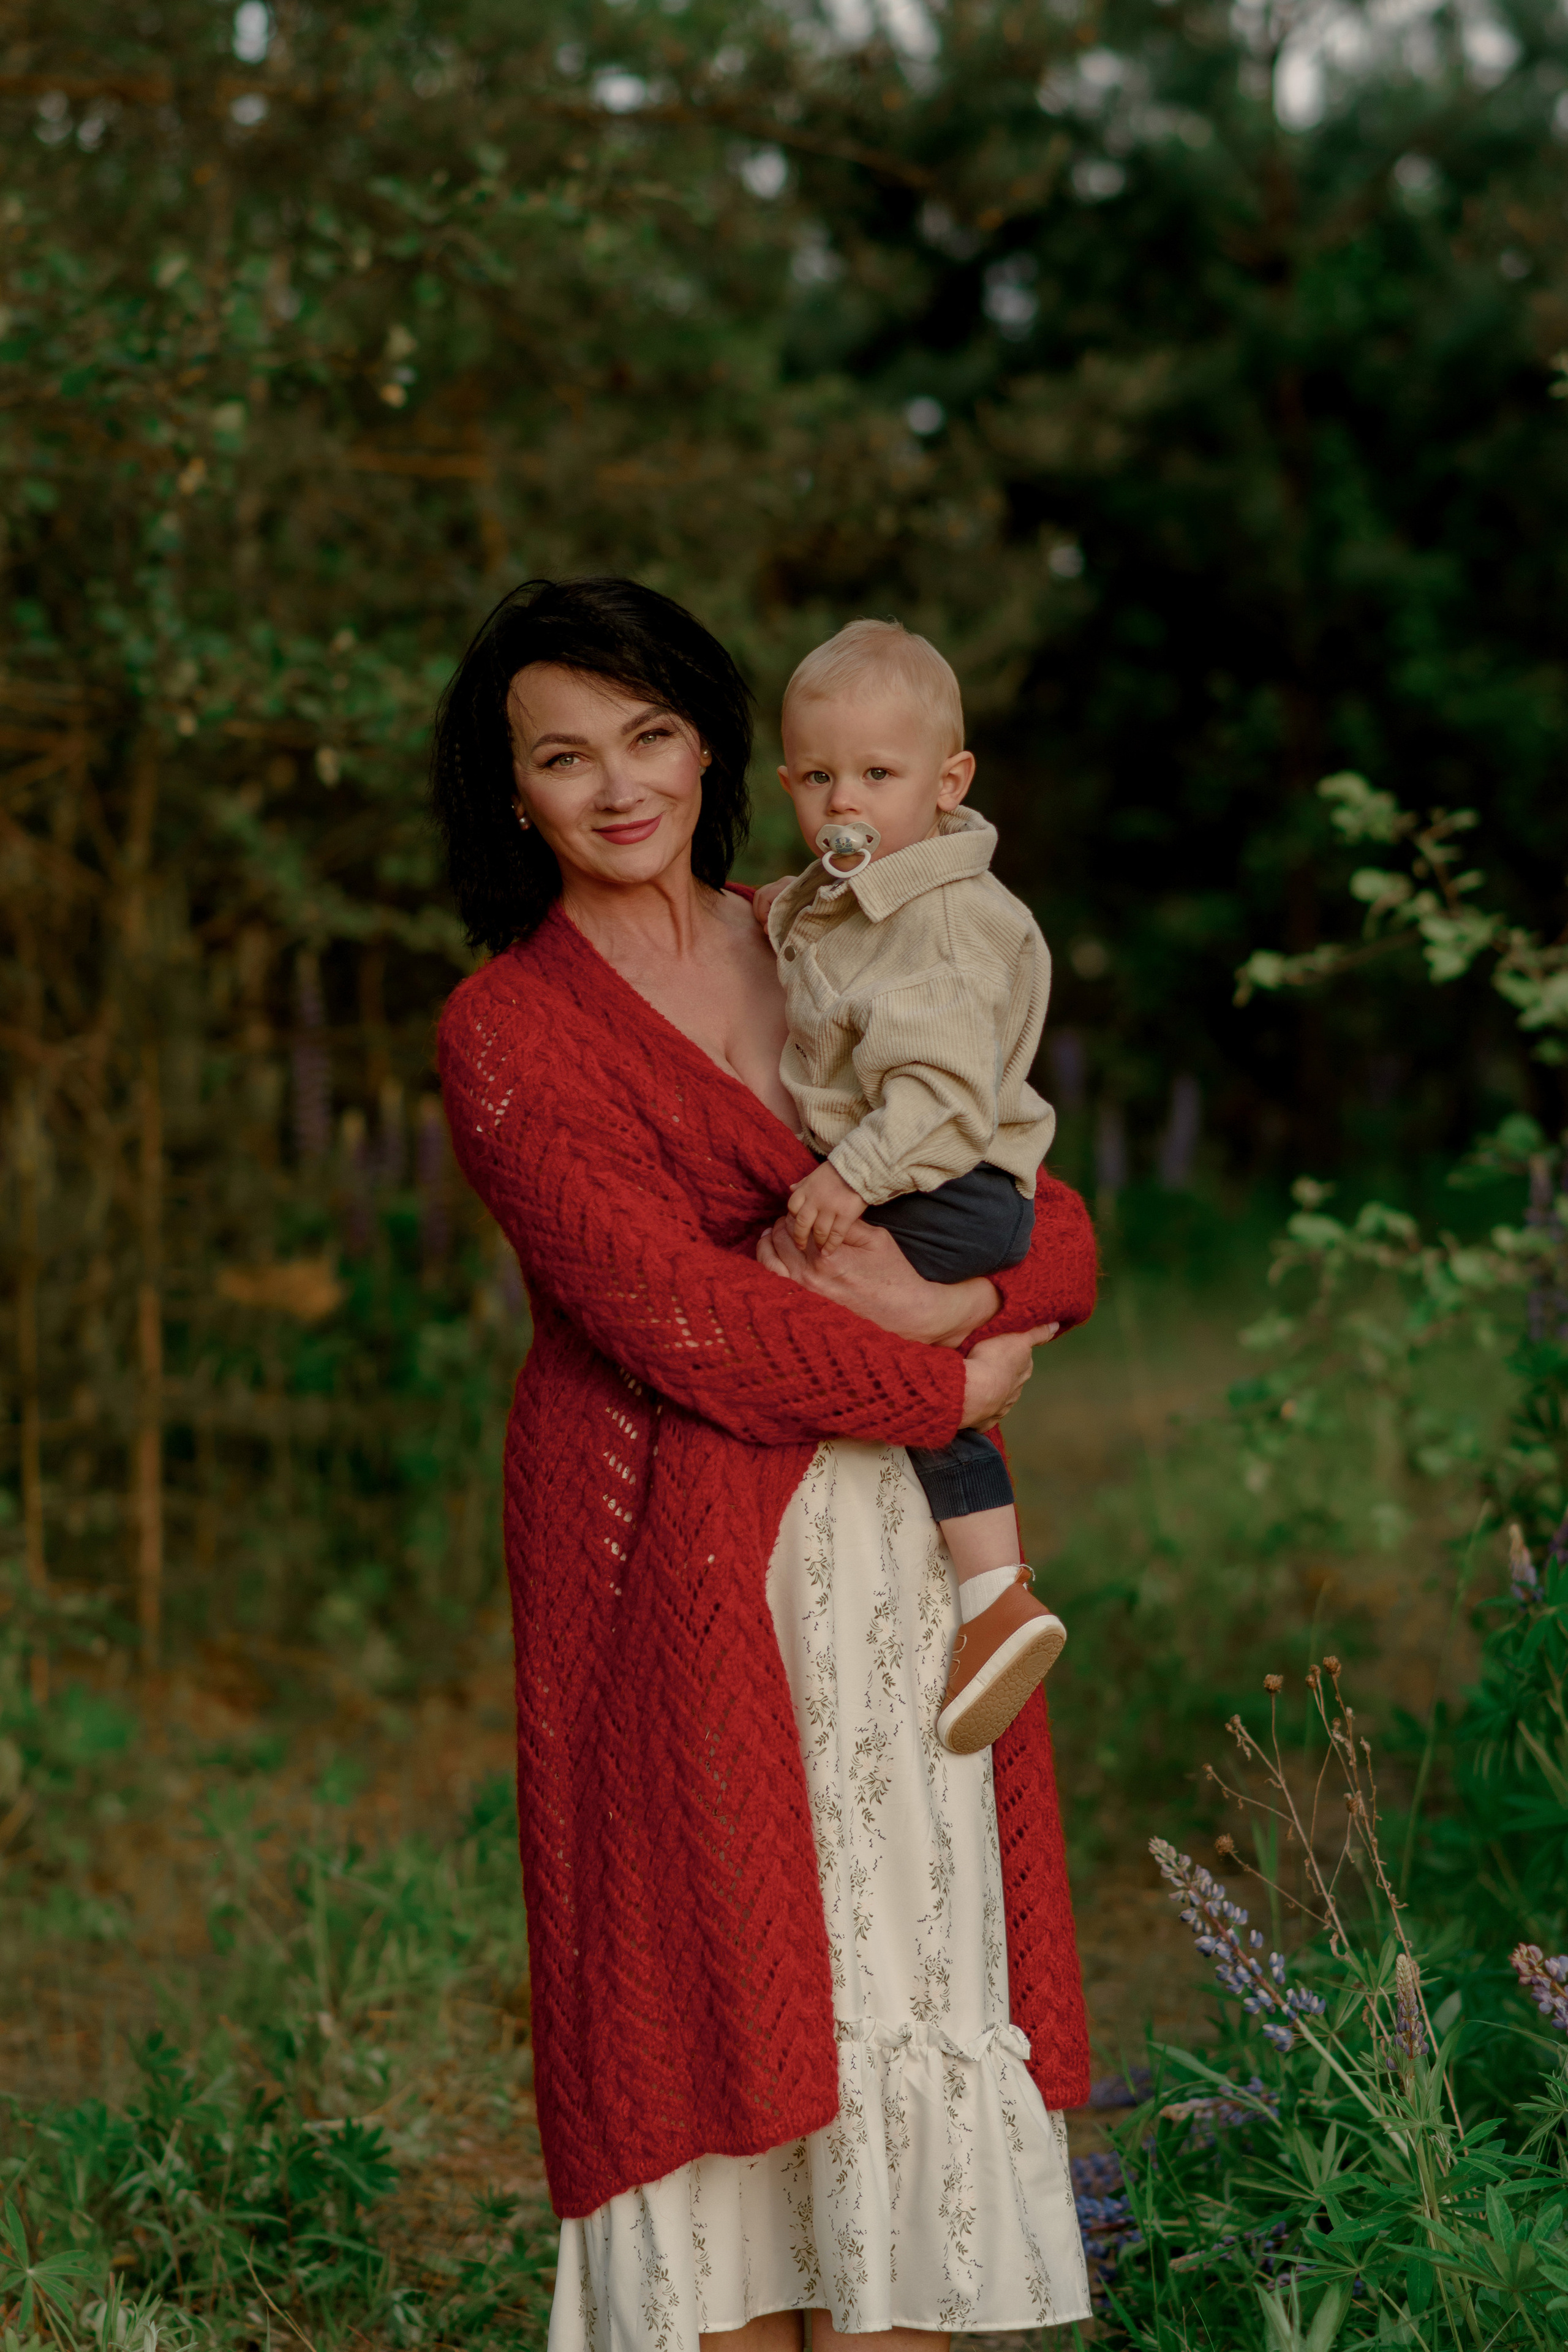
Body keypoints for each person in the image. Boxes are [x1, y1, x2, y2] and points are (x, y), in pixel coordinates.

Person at [433, 576, 1097, 2352]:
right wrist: (944, 1377)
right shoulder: (507, 1032)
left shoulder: (828, 924)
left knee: (903, 1962)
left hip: (892, 1556)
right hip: (674, 1566)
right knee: (706, 1990)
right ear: (513, 793)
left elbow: (1040, 1203)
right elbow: (675, 1322)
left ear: (715, 750)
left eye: (649, 735)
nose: (617, 786)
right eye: (562, 757)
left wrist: (989, 1294)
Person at [750, 618, 1066, 1758]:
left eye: (878, 776)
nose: (846, 802)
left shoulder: (940, 921)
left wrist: (850, 1178)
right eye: (819, 778)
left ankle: (995, 1594)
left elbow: (936, 1097)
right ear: (787, 783)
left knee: (807, 1282)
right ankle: (993, 1597)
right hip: (937, 1175)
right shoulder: (852, 894)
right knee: (913, 1352)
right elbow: (816, 955)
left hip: (949, 1177)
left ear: (949, 782)